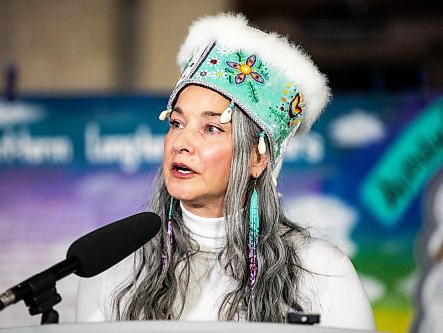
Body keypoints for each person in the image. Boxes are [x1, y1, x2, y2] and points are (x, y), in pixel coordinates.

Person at [76, 13, 376, 330]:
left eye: (210, 128)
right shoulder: (116, 269)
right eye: (176, 123)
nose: (181, 142)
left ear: (258, 158)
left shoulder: (322, 271)